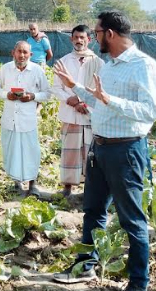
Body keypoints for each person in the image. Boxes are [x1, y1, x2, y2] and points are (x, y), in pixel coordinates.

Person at [52, 11, 156, 291]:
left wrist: (109, 99)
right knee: (93, 210)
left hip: (125, 151)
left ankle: (139, 283)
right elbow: (98, 100)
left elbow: (150, 111)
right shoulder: (110, 65)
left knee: (132, 220)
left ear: (110, 34)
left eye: (97, 33)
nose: (93, 37)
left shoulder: (143, 65)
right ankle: (85, 266)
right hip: (100, 148)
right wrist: (74, 86)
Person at [0, 41, 51, 197]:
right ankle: (16, 182)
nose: (22, 55)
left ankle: (32, 185)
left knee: (31, 152)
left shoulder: (37, 70)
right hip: (9, 119)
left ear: (30, 55)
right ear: (13, 53)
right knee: (11, 151)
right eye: (19, 51)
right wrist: (7, 95)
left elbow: (47, 93)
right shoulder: (5, 69)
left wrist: (32, 96)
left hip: (27, 120)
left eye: (25, 52)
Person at [52, 25, 104, 197]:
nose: (79, 41)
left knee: (90, 154)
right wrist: (71, 100)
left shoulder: (98, 63)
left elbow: (100, 90)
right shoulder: (63, 61)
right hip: (70, 115)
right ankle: (67, 188)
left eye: (82, 37)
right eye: (76, 37)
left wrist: (85, 104)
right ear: (71, 39)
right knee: (69, 151)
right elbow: (56, 88)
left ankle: (88, 190)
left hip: (90, 116)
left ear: (89, 40)